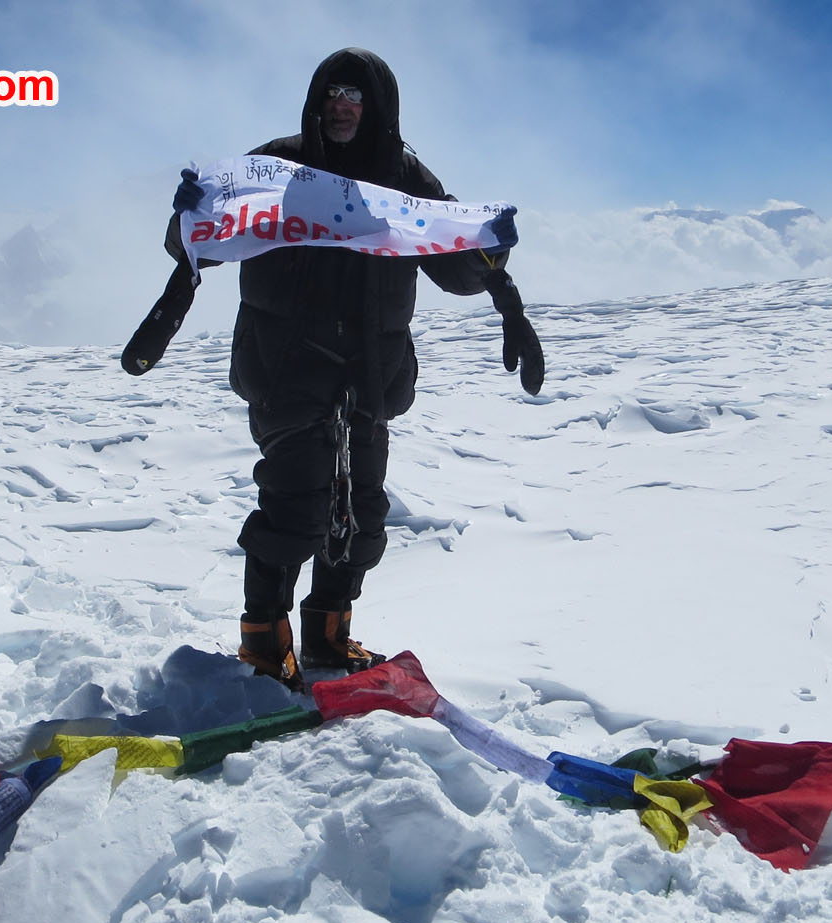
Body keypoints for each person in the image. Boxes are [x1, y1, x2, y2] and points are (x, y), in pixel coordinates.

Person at [125, 47, 537, 690]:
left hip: (371, 371)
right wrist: (188, 218)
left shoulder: (406, 180)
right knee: (294, 508)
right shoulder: (275, 168)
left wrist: (487, 248)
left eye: (357, 98)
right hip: (287, 363)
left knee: (362, 512)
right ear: (318, 100)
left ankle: (327, 637)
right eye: (334, 95)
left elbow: (451, 262)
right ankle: (263, 641)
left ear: (377, 109)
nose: (343, 108)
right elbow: (206, 239)